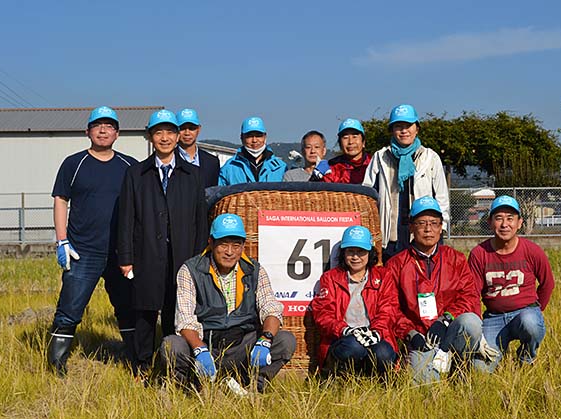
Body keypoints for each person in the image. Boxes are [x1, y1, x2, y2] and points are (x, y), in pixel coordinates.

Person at [160, 213, 296, 393]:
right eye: (223, 244)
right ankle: (191, 387)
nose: (230, 252)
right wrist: (200, 350)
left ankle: (252, 387)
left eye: (236, 245)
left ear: (243, 246)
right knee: (172, 345)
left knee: (285, 341)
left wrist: (266, 339)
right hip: (206, 345)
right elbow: (184, 320)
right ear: (211, 242)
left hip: (242, 345)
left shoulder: (255, 270)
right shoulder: (191, 270)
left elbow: (270, 307)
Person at [117, 109, 208, 376]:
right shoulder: (136, 174)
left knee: (176, 309)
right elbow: (126, 218)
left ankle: (171, 363)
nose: (165, 138)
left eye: (170, 132)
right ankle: (142, 364)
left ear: (179, 136)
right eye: (159, 132)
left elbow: (199, 221)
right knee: (145, 310)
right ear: (150, 137)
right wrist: (126, 257)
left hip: (182, 255)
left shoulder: (192, 175)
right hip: (147, 253)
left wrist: (199, 257)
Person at [47, 106, 136, 376]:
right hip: (82, 251)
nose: (103, 130)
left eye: (109, 126)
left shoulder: (129, 166)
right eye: (97, 125)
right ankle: (56, 364)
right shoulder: (74, 164)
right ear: (87, 131)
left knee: (127, 306)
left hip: (121, 252)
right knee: (70, 307)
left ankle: (134, 357)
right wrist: (62, 241)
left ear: (117, 133)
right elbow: (61, 200)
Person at [387, 196, 497, 384]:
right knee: (423, 387)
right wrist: (410, 333)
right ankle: (433, 364)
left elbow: (469, 297)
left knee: (470, 322)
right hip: (422, 338)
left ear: (441, 227)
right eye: (421, 223)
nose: (428, 229)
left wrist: (446, 319)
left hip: (450, 331)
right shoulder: (396, 264)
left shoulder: (456, 259)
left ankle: (460, 363)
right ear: (411, 227)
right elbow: (390, 307)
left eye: (433, 223)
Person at [468, 195, 555, 372]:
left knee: (530, 323)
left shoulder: (532, 251)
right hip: (493, 318)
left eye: (510, 218)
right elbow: (472, 294)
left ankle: (526, 357)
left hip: (524, 312)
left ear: (519, 222)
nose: (504, 224)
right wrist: (478, 330)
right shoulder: (479, 253)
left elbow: (548, 283)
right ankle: (499, 349)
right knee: (479, 371)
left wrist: (537, 311)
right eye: (499, 218)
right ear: (490, 222)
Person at [363, 104, 449, 263]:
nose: (404, 131)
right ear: (392, 130)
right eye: (398, 126)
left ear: (417, 128)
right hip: (390, 236)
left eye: (408, 126)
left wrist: (440, 229)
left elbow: (441, 197)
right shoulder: (381, 157)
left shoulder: (430, 157)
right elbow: (367, 195)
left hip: (422, 234)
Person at [311, 226, 397, 377]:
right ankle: (339, 377)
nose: (355, 257)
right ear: (343, 253)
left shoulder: (384, 276)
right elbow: (323, 315)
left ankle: (374, 380)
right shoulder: (330, 278)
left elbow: (389, 308)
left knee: (383, 352)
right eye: (350, 251)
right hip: (343, 339)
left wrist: (376, 332)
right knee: (354, 346)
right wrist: (346, 330)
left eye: (361, 252)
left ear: (369, 253)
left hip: (373, 336)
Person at [218, 116, 287, 185]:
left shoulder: (281, 167)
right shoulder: (229, 168)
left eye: (258, 135)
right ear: (241, 137)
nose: (254, 140)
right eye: (249, 136)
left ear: (265, 136)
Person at [310, 118, 371, 184]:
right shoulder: (332, 168)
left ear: (363, 142)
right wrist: (315, 178)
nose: (350, 142)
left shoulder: (374, 164)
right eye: (345, 137)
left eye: (355, 136)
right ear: (340, 144)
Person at [175, 108, 220, 188]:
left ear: (199, 129)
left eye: (191, 128)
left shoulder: (212, 162)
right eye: (182, 128)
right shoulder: (168, 160)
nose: (187, 133)